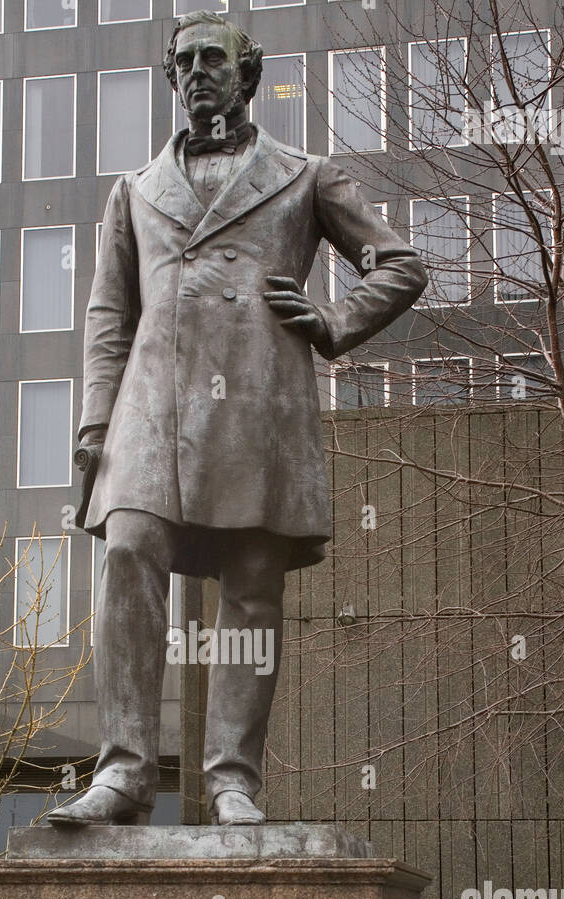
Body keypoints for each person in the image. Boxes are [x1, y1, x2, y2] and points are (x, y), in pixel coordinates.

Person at [49, 11, 427, 827]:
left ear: (247, 75)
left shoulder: (306, 175)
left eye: (212, 60)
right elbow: (108, 314)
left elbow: (399, 263)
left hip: (259, 406)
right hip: (151, 410)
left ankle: (231, 780)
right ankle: (123, 772)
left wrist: (332, 321)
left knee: (251, 584)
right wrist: (92, 427)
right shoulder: (135, 191)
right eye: (182, 62)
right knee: (130, 549)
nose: (196, 73)